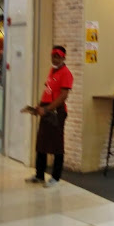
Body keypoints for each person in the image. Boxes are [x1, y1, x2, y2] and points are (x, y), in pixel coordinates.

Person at [26, 45, 73, 188]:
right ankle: (39, 175)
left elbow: (63, 96)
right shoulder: (52, 71)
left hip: (56, 112)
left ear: (63, 58)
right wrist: (39, 107)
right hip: (46, 110)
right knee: (41, 143)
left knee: (57, 145)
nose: (55, 59)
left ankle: (56, 177)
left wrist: (47, 109)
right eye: (53, 56)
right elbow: (48, 91)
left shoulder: (66, 73)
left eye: (58, 57)